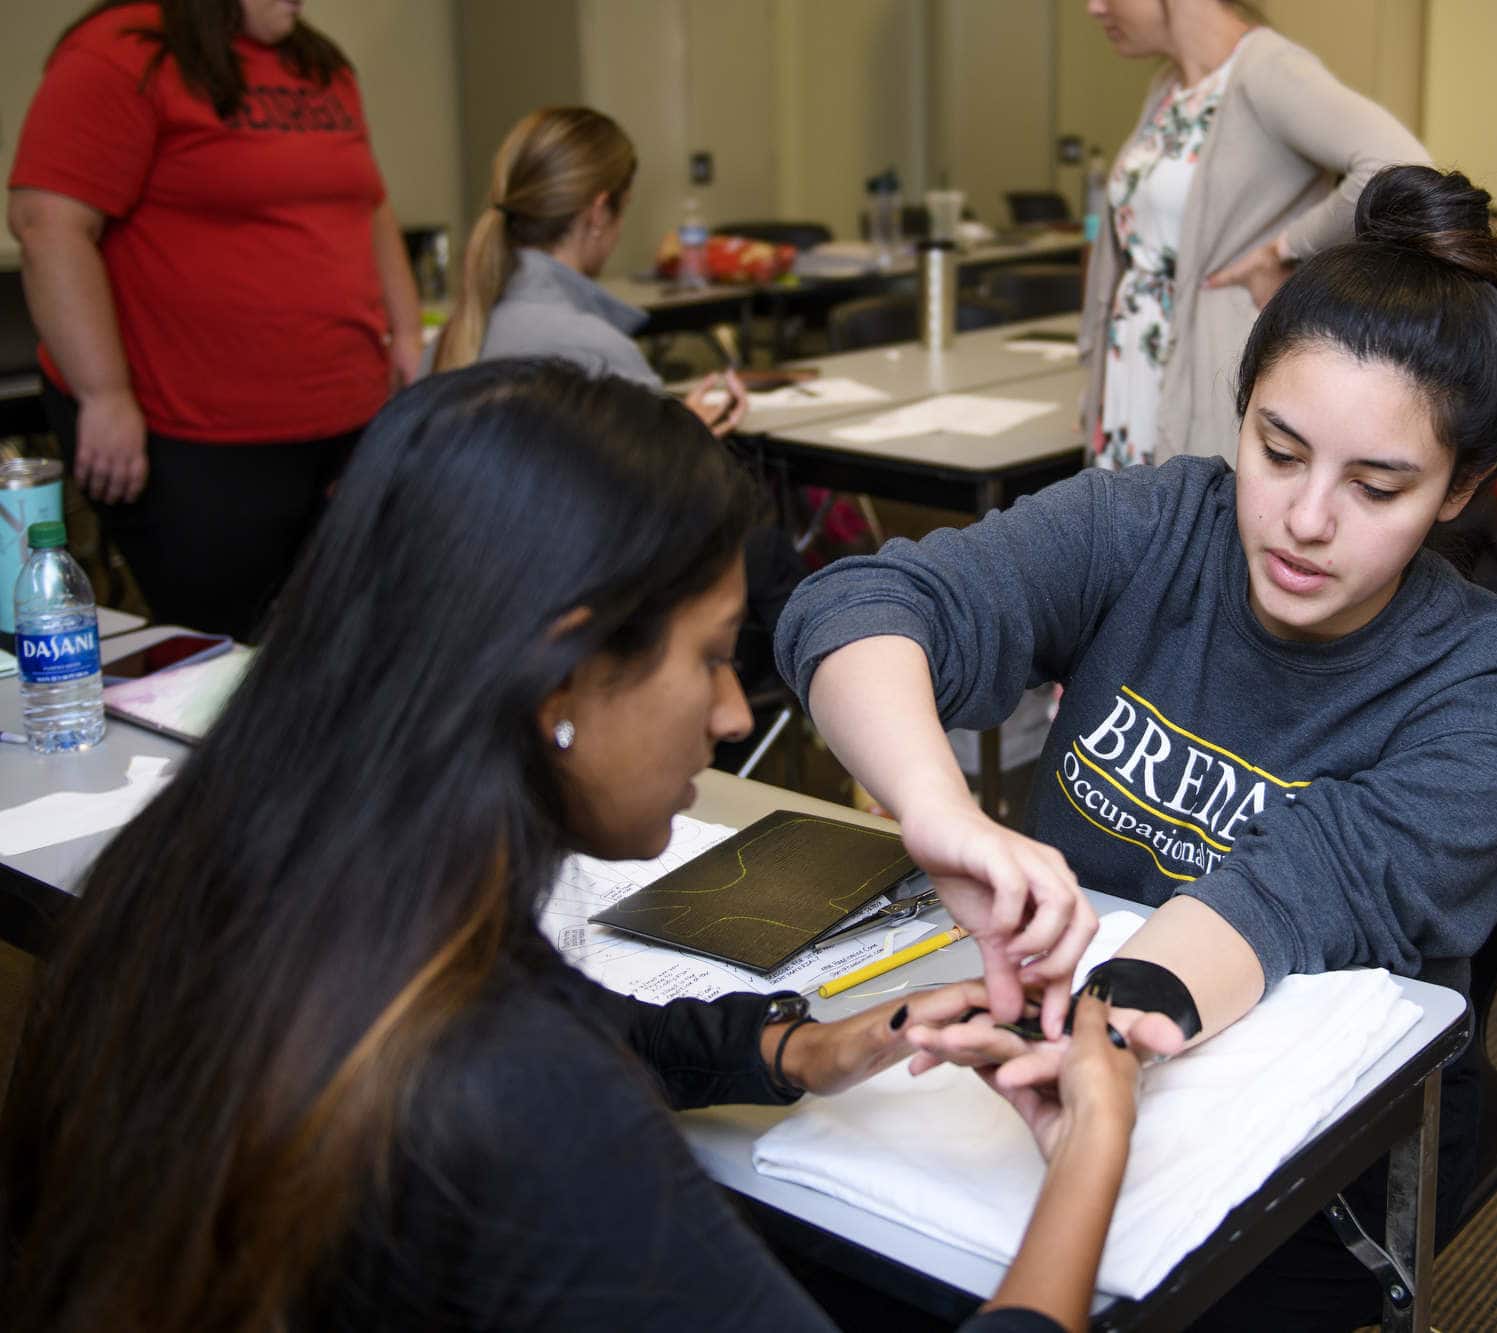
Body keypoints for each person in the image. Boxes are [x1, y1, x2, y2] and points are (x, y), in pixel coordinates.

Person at [0, 361, 1131, 1332]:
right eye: (704, 658)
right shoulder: (515, 1104)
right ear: (558, 679)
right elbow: (541, 1064)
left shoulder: (238, 871)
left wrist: (802, 1048)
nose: (735, 714)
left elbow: (570, 1016)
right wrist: (1087, 1161)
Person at [779, 166, 1497, 1330]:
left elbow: (1299, 885)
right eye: (1277, 450)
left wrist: (1105, 1018)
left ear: (1462, 488)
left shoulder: (1483, 689)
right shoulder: (1148, 522)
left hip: (1324, 1138)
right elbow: (857, 608)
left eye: (1377, 486)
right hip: (1084, 1030)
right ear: (1236, 408)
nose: (1303, 520)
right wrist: (938, 810)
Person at [6, 0, 424, 641]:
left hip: (346, 421)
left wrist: (404, 330)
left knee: (348, 642)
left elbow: (368, 204)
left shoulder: (318, 63)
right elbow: (50, 225)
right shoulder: (121, 55)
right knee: (231, 653)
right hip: (197, 438)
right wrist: (104, 394)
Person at [1077, 0, 1428, 469]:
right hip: (1141, 360)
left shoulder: (1265, 68)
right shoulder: (1169, 85)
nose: (1093, 8)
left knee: (1193, 527)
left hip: (1212, 362)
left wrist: (1285, 249)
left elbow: (1399, 165)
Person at [431, 105, 747, 437]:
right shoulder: (598, 355)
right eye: (622, 210)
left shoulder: (448, 342)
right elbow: (651, 485)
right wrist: (690, 440)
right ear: (598, 214)